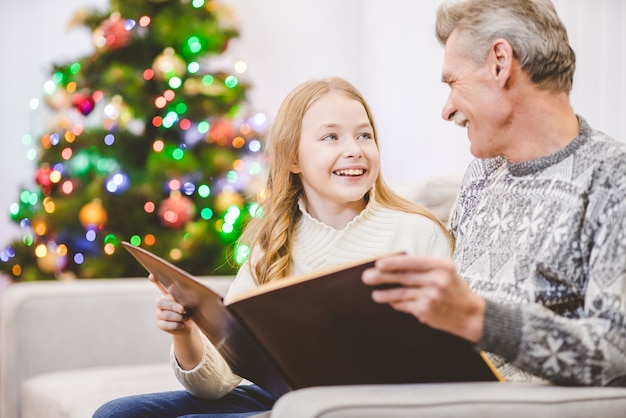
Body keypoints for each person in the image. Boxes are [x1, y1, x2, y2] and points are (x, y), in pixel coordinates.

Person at [93, 77, 453, 417]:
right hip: (286, 395)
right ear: (293, 158)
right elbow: (217, 383)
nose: (354, 150)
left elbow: (450, 352)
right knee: (118, 414)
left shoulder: (416, 232)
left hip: (369, 402)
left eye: (364, 135)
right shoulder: (276, 243)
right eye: (331, 137)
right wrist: (185, 334)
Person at [362, 0, 626, 387]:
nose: (446, 108)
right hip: (441, 393)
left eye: (453, 82)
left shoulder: (612, 178)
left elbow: (617, 350)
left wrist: (480, 320)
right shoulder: (483, 175)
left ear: (500, 63)